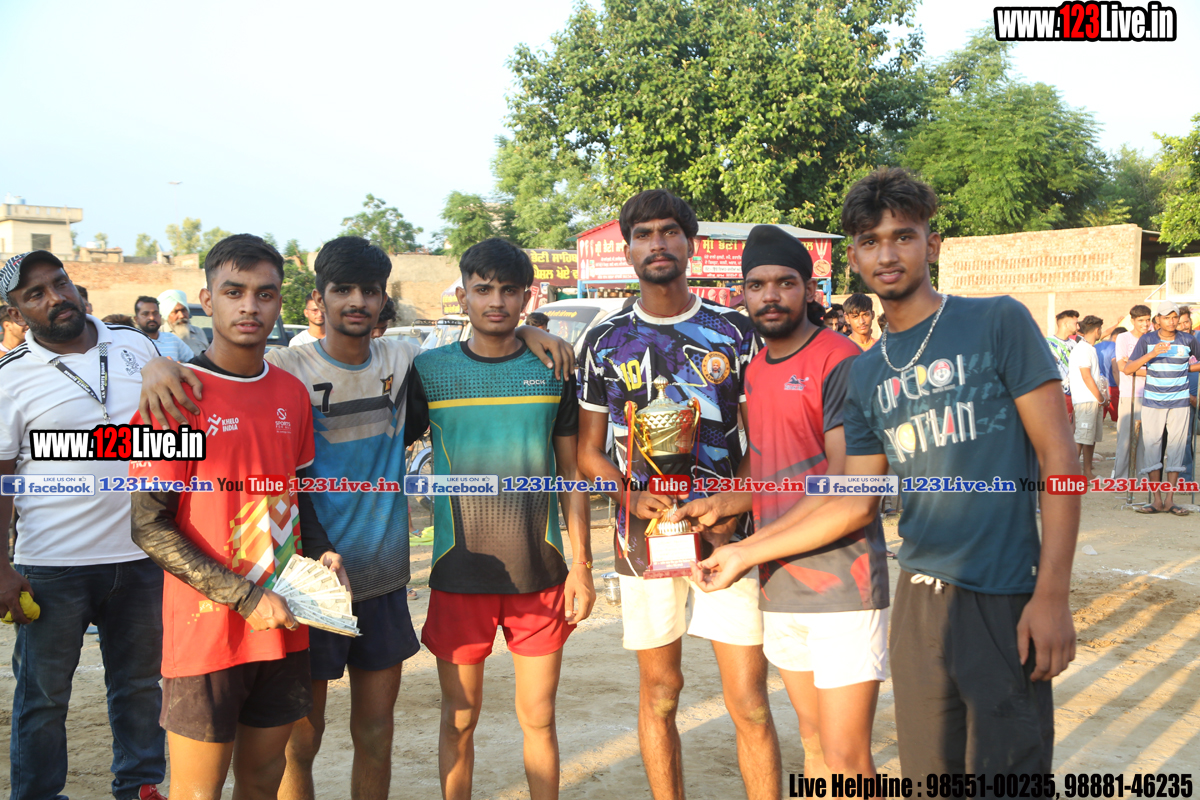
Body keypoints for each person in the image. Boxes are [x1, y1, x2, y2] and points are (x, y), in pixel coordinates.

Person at [135, 238, 576, 800]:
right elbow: (216, 383)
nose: (357, 301)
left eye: (369, 291)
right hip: (303, 584)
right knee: (299, 744)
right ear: (317, 299)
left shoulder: (404, 360)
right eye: (342, 289)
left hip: (382, 578)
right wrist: (157, 364)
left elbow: (485, 338)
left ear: (383, 300)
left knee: (374, 734)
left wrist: (533, 333)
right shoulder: (285, 369)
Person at [696, 168, 1080, 777]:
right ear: (853, 258)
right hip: (917, 596)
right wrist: (743, 544)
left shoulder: (997, 322)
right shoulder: (868, 371)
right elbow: (850, 496)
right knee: (926, 775)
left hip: (1003, 588)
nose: (888, 255)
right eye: (871, 242)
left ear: (932, 244)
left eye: (903, 236)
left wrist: (1053, 594)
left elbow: (1061, 460)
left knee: (1008, 774)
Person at [576, 190, 780, 800]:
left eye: (669, 231)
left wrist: (735, 506)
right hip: (645, 540)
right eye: (643, 234)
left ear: (691, 244)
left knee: (749, 701)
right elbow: (588, 452)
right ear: (627, 249)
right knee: (661, 694)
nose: (657, 243)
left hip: (731, 538)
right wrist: (626, 497)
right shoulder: (603, 339)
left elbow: (763, 440)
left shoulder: (735, 332)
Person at [128, 234, 347, 800]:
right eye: (234, 292)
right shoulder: (174, 398)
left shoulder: (291, 394)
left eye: (264, 293)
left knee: (263, 782)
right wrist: (246, 598)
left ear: (280, 302)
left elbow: (298, 492)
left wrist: (323, 552)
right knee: (197, 793)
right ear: (208, 299)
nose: (250, 306)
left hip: (284, 625)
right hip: (207, 632)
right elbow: (148, 525)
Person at [672, 225, 889, 779]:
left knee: (847, 757)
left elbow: (847, 491)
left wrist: (746, 551)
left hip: (843, 583)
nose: (770, 295)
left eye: (785, 283)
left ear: (810, 290)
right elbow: (779, 478)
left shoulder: (840, 360)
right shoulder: (756, 371)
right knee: (813, 742)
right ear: (743, 293)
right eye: (757, 284)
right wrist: (724, 504)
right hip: (781, 583)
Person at [412, 238, 594, 800]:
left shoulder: (554, 368)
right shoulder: (428, 371)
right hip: (457, 572)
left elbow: (571, 474)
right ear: (462, 296)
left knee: (539, 719)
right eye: (483, 289)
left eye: (508, 290)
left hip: (540, 573)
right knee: (458, 721)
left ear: (526, 297)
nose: (496, 301)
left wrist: (583, 567)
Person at [0, 250, 168, 800]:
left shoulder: (135, 344)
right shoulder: (9, 379)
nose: (56, 297)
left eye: (60, 282)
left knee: (140, 688)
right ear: (16, 313)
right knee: (44, 698)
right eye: (36, 294)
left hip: (141, 557)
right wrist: (1, 568)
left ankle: (139, 788)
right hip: (52, 566)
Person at [1123, 301, 1200, 516]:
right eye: (1167, 317)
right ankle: (1156, 500)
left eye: (1175, 317)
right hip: (1153, 402)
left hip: (1180, 403)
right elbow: (1128, 368)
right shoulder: (1147, 340)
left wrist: (1186, 368)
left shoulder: (1188, 339)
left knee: (1176, 447)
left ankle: (1170, 500)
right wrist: (1151, 354)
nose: (1172, 321)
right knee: (1152, 447)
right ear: (1158, 319)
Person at [1114, 306, 1153, 480]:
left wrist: (1134, 366)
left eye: (1147, 320)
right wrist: (1150, 370)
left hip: (1151, 394)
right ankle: (1121, 478)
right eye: (1141, 320)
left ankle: (1142, 478)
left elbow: (1130, 367)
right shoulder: (1123, 338)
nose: (1145, 324)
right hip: (1130, 394)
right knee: (1126, 438)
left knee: (1146, 440)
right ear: (1132, 321)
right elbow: (1123, 368)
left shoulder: (1153, 338)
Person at [1069, 315, 1107, 480]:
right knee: (1081, 437)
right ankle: (1070, 476)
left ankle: (1087, 472)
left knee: (1089, 438)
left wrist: (1099, 399)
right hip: (1085, 400)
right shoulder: (1083, 349)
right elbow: (1086, 376)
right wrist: (1101, 398)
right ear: (1097, 330)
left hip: (1092, 400)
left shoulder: (1089, 348)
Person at [134, 295, 195, 362]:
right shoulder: (133, 343)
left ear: (160, 316)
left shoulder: (172, 339)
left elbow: (192, 361)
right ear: (136, 319)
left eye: (155, 313)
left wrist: (179, 366)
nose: (152, 317)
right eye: (145, 314)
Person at [1047, 309, 1079, 419]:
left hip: (1074, 394)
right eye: (1075, 323)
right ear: (1065, 324)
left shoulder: (1075, 344)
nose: (1078, 327)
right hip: (1056, 395)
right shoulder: (1048, 343)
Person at [158, 289, 208, 356]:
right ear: (166, 314)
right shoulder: (159, 334)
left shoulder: (198, 332)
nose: (182, 315)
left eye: (184, 310)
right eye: (176, 312)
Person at [1097, 327, 1123, 423]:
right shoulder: (1116, 348)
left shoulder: (1096, 346)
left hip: (1098, 387)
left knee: (1099, 418)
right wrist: (1121, 388)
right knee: (1119, 419)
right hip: (1113, 387)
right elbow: (1115, 370)